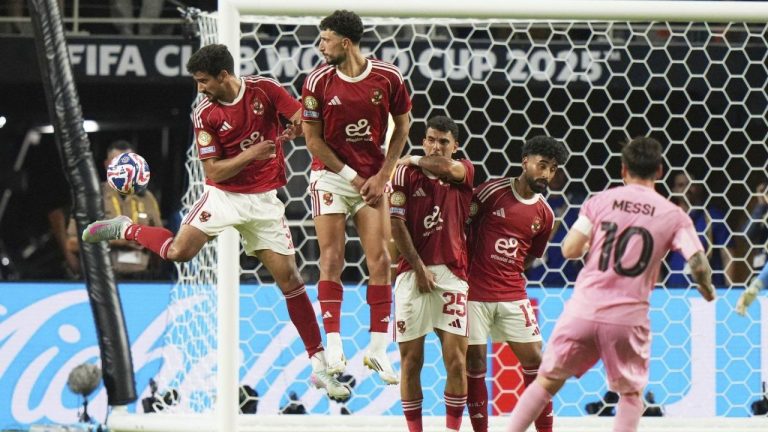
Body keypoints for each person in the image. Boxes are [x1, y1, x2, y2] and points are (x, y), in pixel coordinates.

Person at [81, 44, 348, 400]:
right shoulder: (205, 114)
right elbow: (214, 172)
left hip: (264, 202)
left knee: (291, 281)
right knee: (178, 252)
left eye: (203, 80)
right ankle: (125, 227)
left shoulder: (265, 90)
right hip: (223, 196)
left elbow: (301, 118)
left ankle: (319, 366)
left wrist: (300, 127)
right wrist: (252, 153)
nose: (200, 88)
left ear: (224, 75)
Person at [507, 137, 716, 432]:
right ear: (659, 171)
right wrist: (707, 289)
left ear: (623, 169)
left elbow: (569, 249)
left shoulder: (600, 201)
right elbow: (698, 263)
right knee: (631, 395)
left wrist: (590, 245)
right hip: (627, 319)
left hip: (584, 311)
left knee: (546, 382)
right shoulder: (673, 215)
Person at [301, 9, 411, 384]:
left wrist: (383, 175)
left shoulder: (388, 77)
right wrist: (353, 176)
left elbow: (403, 127)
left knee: (381, 259)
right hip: (331, 177)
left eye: (325, 39)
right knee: (331, 257)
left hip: (373, 179)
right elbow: (312, 140)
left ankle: (378, 350)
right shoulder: (317, 81)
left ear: (345, 43)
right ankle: (334, 345)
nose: (320, 46)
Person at [465, 136, 568, 432]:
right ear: (525, 162)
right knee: (475, 363)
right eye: (542, 165)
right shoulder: (491, 192)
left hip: (512, 293)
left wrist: (506, 271)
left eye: (552, 169)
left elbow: (530, 257)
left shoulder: (545, 214)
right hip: (474, 293)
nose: (547, 174)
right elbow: (461, 226)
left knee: (537, 362)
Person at [390, 116, 474, 432]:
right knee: (411, 362)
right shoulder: (403, 175)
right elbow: (396, 224)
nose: (436, 146)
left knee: (457, 361)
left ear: (455, 146)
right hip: (412, 275)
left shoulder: (464, 170)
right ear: (423, 140)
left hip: (452, 276)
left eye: (443, 141)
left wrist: (411, 157)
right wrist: (418, 267)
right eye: (430, 139)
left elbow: (444, 167)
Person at [66, 140, 162, 279]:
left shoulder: (147, 198)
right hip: (104, 279)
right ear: (107, 165)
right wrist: (116, 241)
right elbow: (72, 244)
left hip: (142, 280)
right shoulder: (91, 198)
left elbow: (160, 242)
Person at [666, 171, 735, 287]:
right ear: (673, 190)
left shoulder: (713, 217)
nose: (686, 189)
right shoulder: (669, 219)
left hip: (708, 289)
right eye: (681, 185)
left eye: (691, 184)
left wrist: (729, 290)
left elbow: (727, 254)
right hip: (673, 291)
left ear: (700, 187)